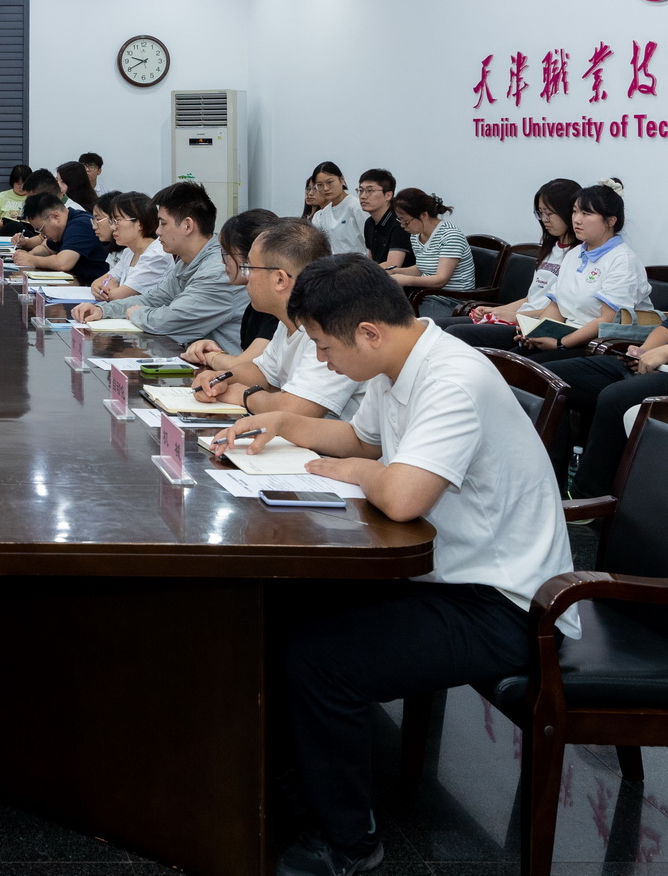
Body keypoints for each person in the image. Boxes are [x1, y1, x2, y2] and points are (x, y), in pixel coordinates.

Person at [213, 254, 578, 876]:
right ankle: (297, 783)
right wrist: (282, 422)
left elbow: (402, 495)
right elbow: (362, 440)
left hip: (510, 605)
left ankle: (348, 843)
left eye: (325, 348)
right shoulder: (398, 362)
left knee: (323, 660)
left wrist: (358, 472)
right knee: (281, 603)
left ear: (368, 333)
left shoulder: (452, 379)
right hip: (448, 574)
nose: (322, 360)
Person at [189, 219, 361, 419]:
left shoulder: (331, 326)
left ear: (280, 279)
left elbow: (295, 410)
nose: (246, 276)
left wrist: (243, 395)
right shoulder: (288, 320)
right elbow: (262, 374)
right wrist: (219, 379)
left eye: (250, 267)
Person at [71, 182, 247, 353]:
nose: (157, 231)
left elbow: (170, 322)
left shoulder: (217, 270)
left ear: (187, 225)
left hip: (223, 368)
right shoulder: (186, 262)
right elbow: (153, 299)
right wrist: (102, 310)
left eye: (163, 223)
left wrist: (137, 314)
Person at [510, 179, 650, 361]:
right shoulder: (574, 254)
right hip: (566, 335)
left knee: (527, 368)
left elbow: (607, 320)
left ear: (610, 221)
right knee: (510, 359)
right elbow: (556, 305)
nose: (576, 219)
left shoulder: (623, 261)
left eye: (586, 213)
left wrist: (560, 343)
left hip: (599, 346)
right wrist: (536, 334)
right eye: (575, 211)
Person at [438, 178, 581, 349]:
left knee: (454, 333)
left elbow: (563, 311)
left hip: (532, 325)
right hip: (521, 317)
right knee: (435, 327)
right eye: (540, 213)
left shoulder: (578, 255)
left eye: (549, 213)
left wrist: (514, 315)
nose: (544, 219)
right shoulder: (550, 249)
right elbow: (531, 298)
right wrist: (497, 311)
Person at [547, 324, 668, 498]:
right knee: (551, 378)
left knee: (616, 397)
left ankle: (587, 498)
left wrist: (664, 352)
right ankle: (548, 484)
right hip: (656, 366)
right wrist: (643, 352)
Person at [180, 208, 280, 370]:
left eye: (227, 253)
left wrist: (211, 356)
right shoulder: (256, 305)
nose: (222, 261)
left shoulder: (280, 310)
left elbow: (243, 367)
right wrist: (216, 352)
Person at [386, 188, 474, 298]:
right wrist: (395, 272)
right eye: (400, 220)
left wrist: (406, 280)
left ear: (424, 215)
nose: (403, 226)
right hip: (429, 294)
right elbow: (422, 268)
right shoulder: (416, 235)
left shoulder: (450, 236)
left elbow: (441, 280)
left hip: (453, 299)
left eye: (406, 221)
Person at [10, 191, 110, 285]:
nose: (42, 234)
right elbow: (46, 248)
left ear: (55, 217)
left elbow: (63, 263)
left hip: (94, 286)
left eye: (42, 229)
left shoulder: (80, 225)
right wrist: (27, 255)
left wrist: (32, 260)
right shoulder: (63, 226)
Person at [89, 190, 172, 303]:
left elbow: (117, 296)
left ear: (140, 223)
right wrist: (100, 286)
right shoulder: (129, 252)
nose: (113, 227)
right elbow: (99, 282)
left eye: (117, 220)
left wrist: (110, 287)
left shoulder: (156, 255)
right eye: (111, 221)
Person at [309, 161, 368, 256]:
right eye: (319, 185)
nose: (325, 188)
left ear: (342, 180)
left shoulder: (356, 206)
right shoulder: (324, 213)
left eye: (330, 182)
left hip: (359, 262)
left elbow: (370, 242)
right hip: (333, 263)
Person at [357, 169, 410, 269]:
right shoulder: (369, 223)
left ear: (388, 195)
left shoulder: (400, 223)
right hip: (378, 276)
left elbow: (392, 265)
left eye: (370, 191)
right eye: (360, 191)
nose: (363, 196)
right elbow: (371, 259)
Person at [0, 165, 33, 232]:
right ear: (12, 182)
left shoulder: (35, 197)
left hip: (28, 234)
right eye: (18, 184)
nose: (22, 187)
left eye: (24, 184)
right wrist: (11, 224)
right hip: (5, 234)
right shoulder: (2, 196)